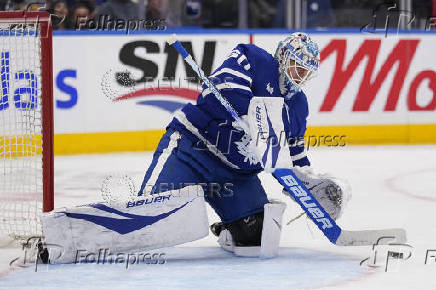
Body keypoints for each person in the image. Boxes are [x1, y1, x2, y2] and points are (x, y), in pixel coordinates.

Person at [40, 33, 350, 263]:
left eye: (307, 71)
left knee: (256, 237)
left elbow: (292, 153)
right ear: (283, 57)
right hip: (191, 150)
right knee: (156, 216)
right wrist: (248, 114)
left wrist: (309, 181)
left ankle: (225, 227)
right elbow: (217, 91)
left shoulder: (298, 106)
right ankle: (66, 235)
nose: (301, 76)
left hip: (235, 177)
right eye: (297, 67)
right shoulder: (254, 59)